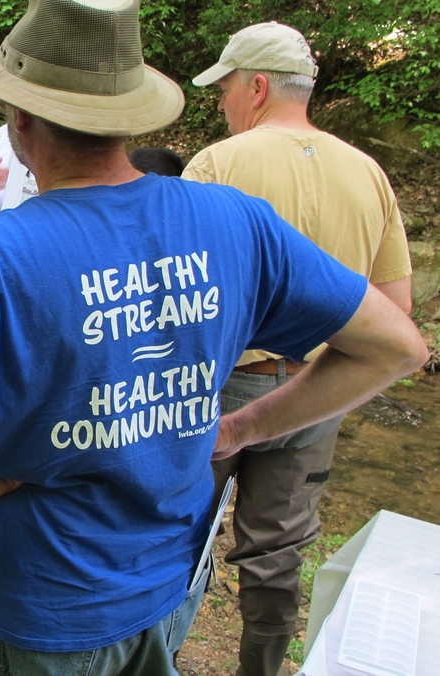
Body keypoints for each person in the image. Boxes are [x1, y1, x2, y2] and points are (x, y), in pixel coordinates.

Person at [0, 2, 427, 675]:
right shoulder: (236, 222)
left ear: (19, 119)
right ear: (128, 115)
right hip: (169, 588)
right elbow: (395, 344)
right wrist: (242, 428)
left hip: (43, 612)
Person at [182, 22, 413, 676]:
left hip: (221, 388)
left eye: (224, 87)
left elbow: (181, 302)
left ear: (255, 86)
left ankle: (156, 656)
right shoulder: (368, 173)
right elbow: (394, 315)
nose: (220, 102)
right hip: (318, 394)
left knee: (174, 533)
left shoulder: (218, 165)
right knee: (276, 555)